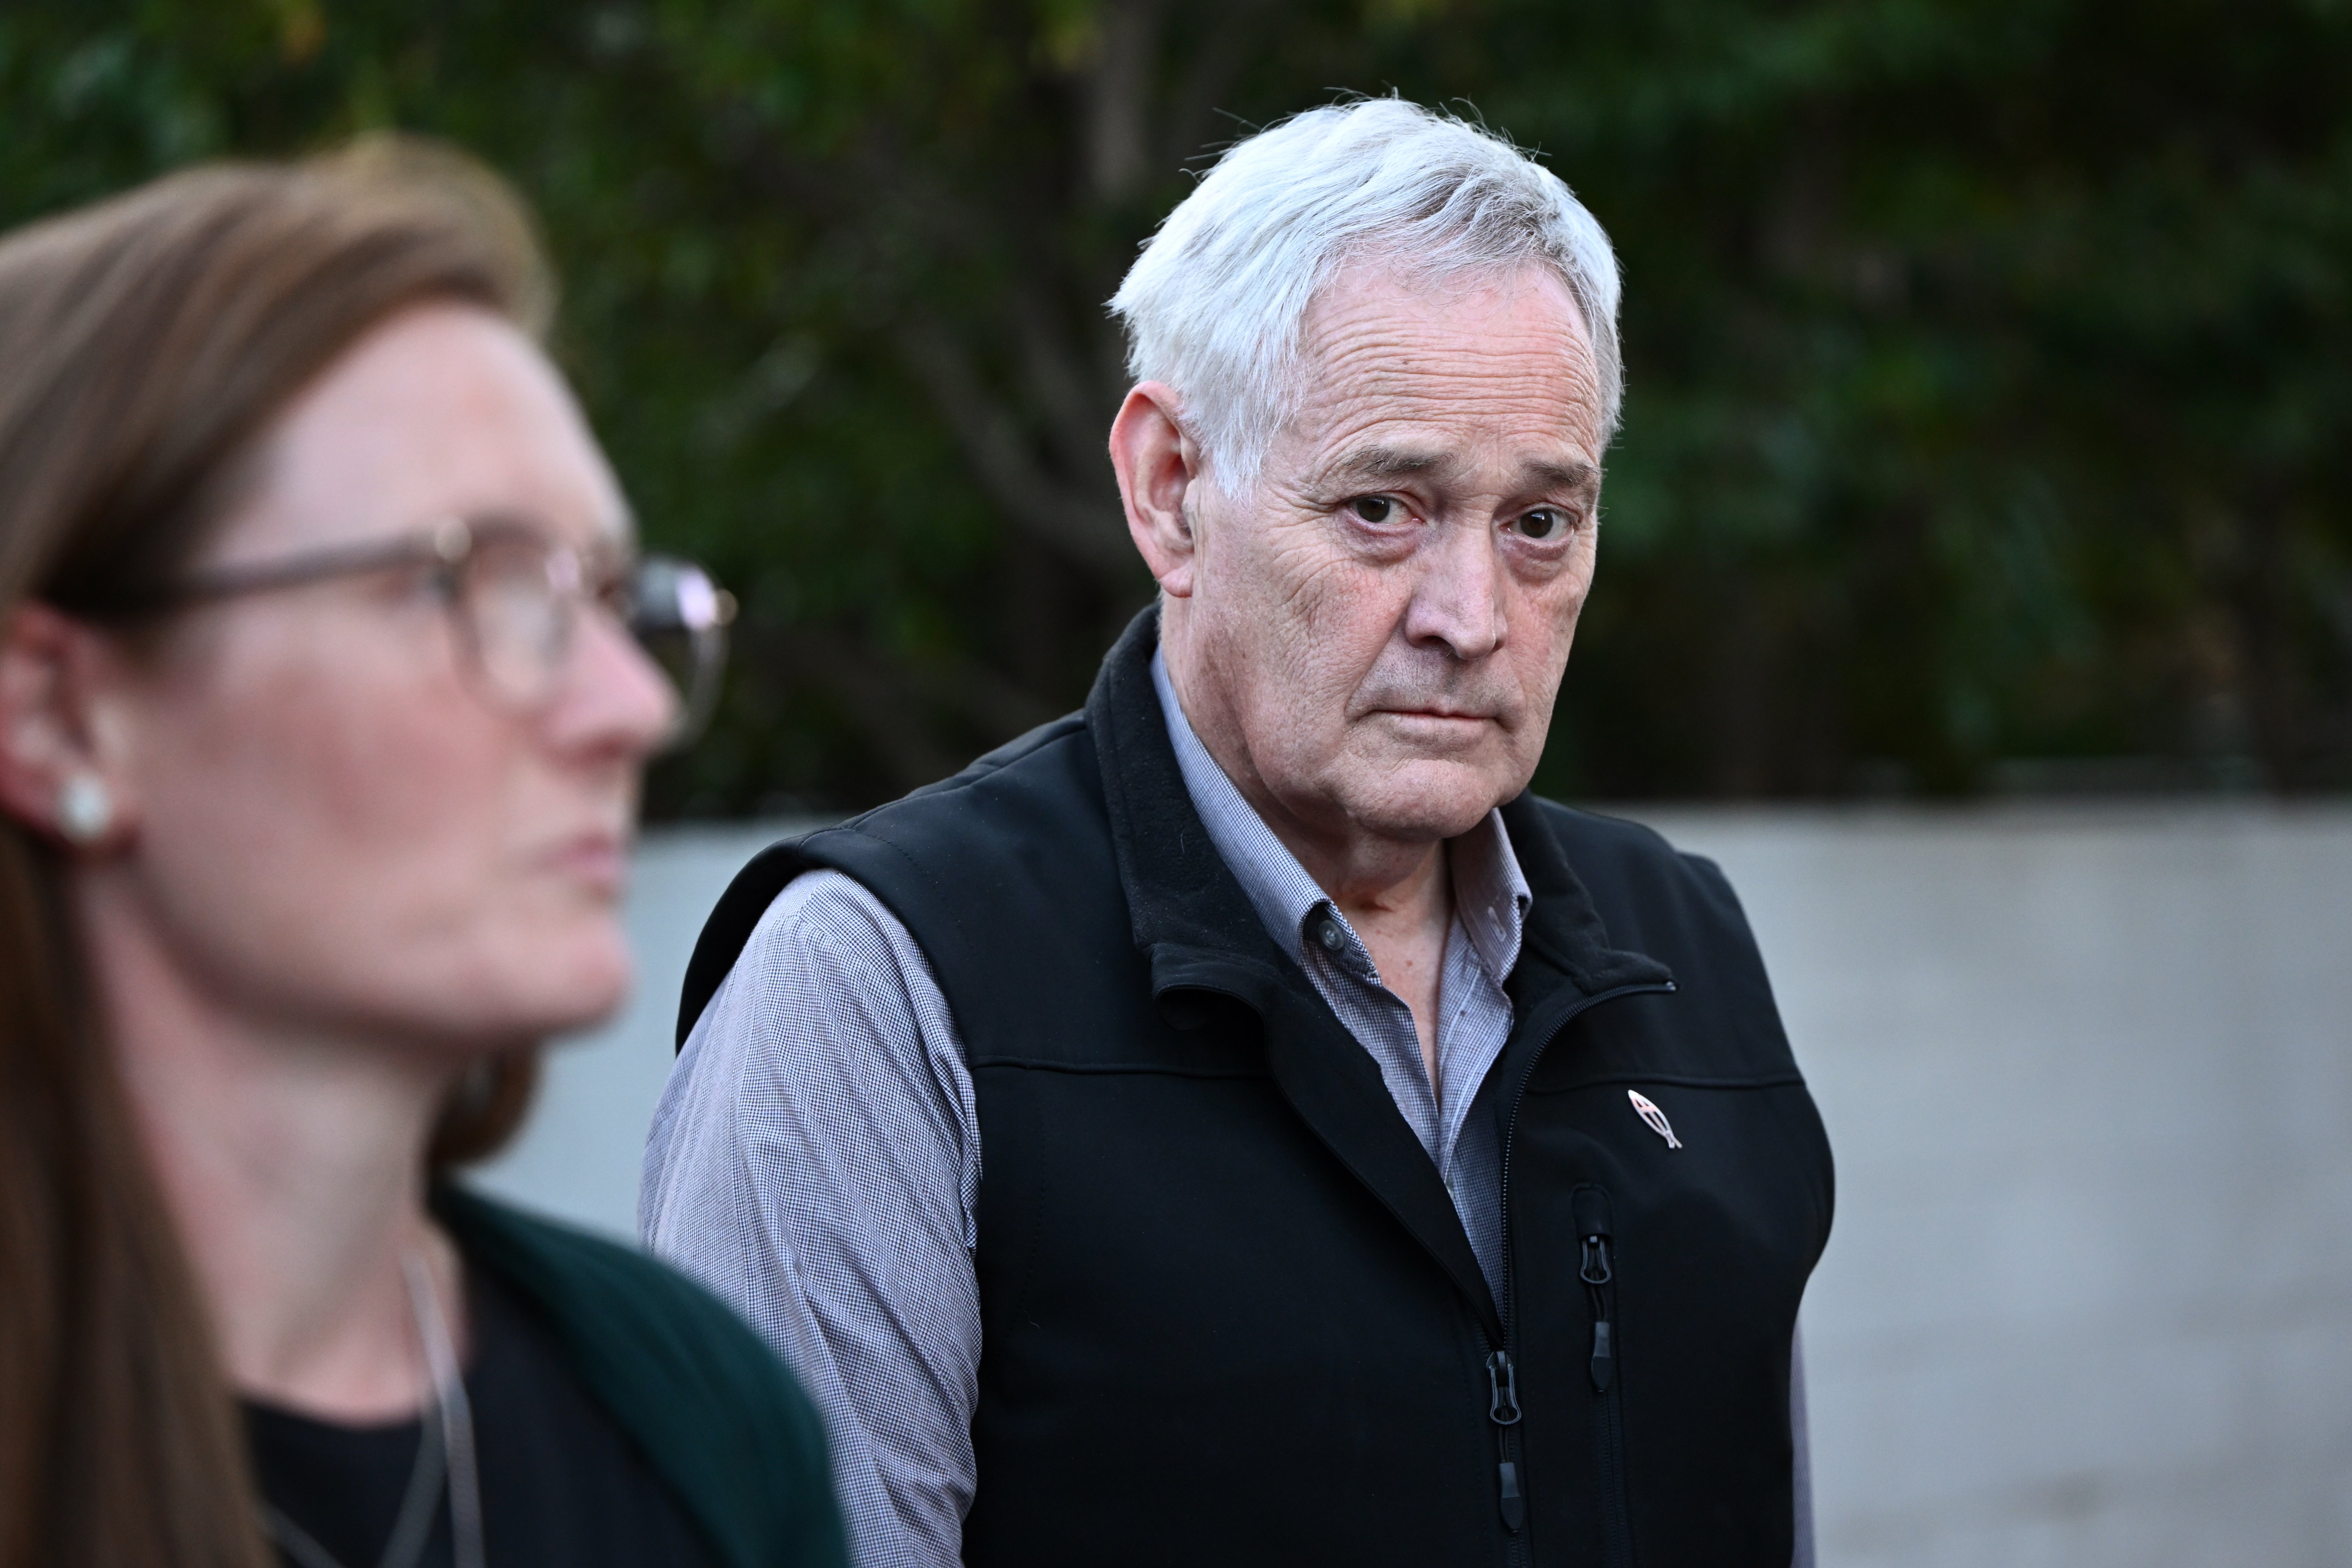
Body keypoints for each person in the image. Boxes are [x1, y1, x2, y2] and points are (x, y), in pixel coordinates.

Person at [646, 99, 1830, 1568]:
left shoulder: (1684, 957)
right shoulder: (883, 985)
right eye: (1383, 507)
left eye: (1539, 523)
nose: (1469, 618)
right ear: (1168, 490)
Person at [0, 141, 847, 1568]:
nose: (630, 706)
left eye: (606, 594)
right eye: (473, 581)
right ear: (67, 718)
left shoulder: (693, 1421)